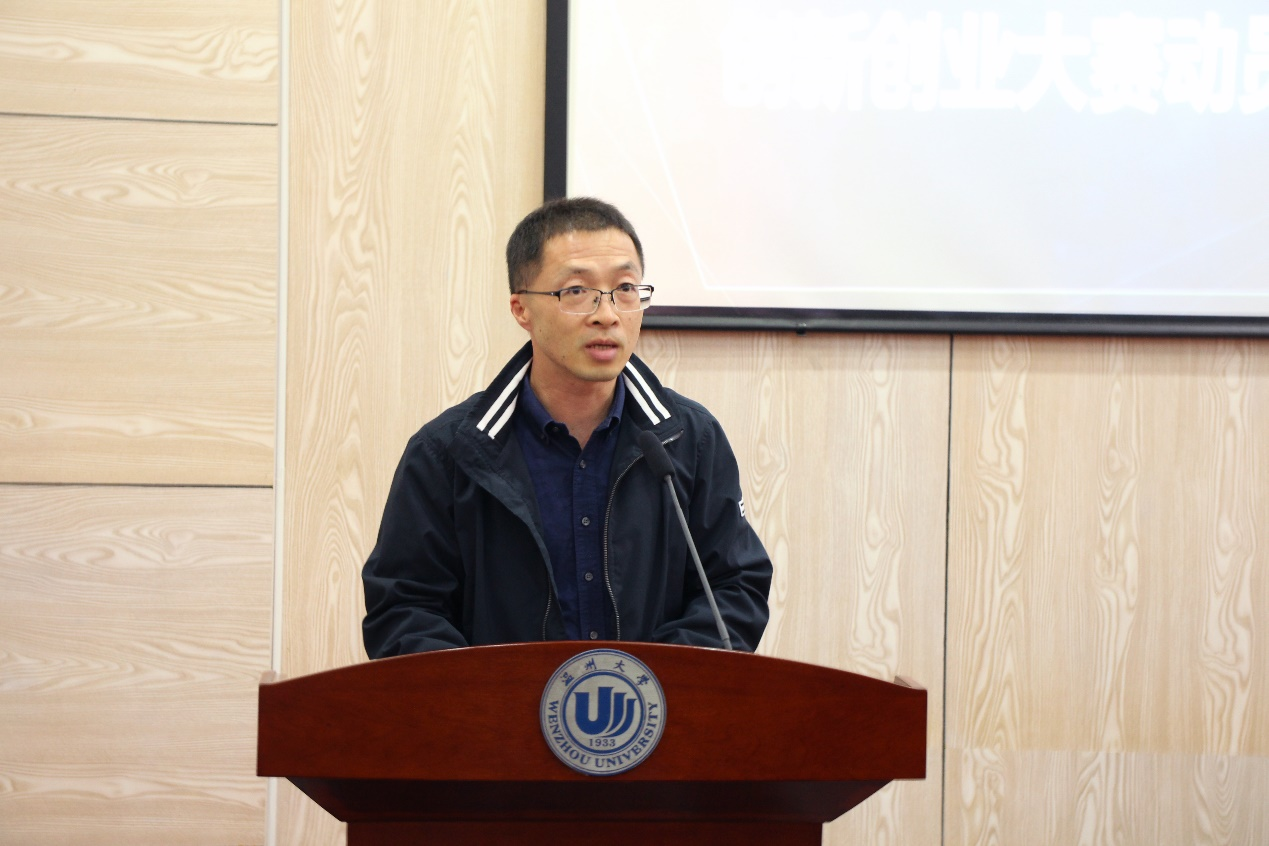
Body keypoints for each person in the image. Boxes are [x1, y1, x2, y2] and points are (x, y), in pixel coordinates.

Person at [361, 197, 772, 657]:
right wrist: (490, 695)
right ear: (521, 309)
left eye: (625, 288)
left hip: (656, 702)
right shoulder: (448, 451)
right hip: (500, 705)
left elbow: (735, 587)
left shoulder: (688, 439)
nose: (607, 314)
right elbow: (405, 608)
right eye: (576, 291)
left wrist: (649, 682)